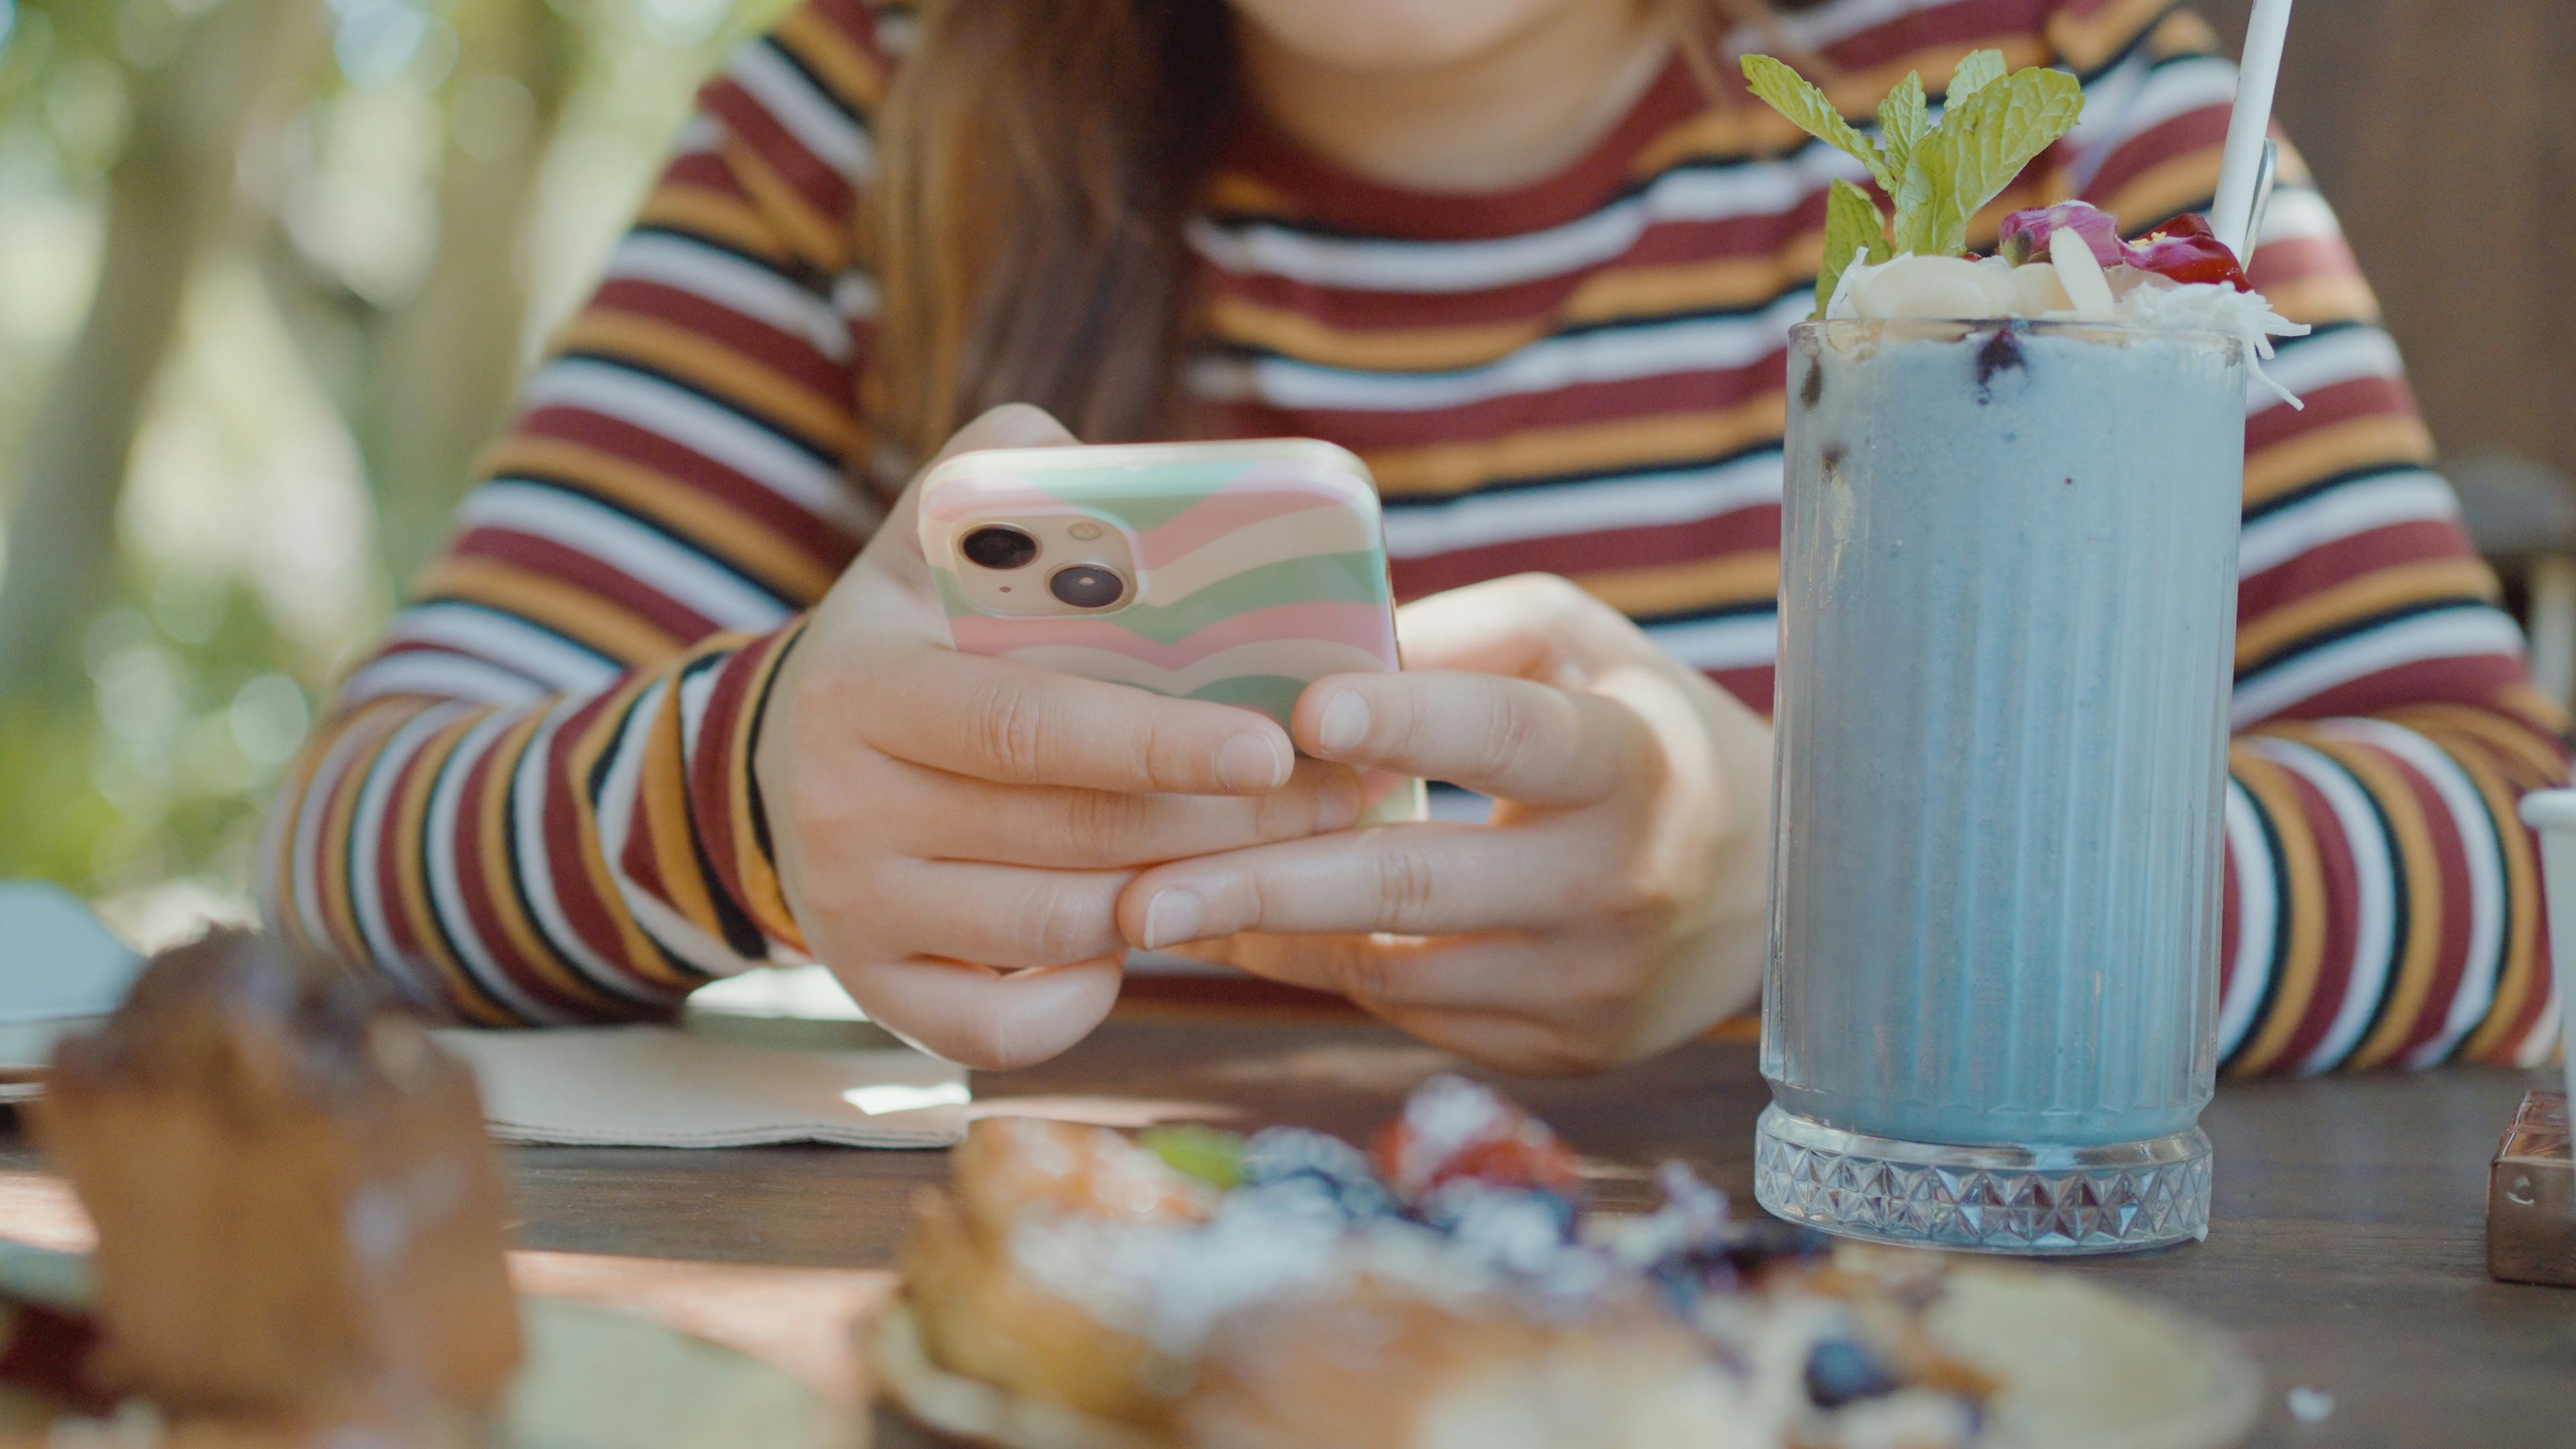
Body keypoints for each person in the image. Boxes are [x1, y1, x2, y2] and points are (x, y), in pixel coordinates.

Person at [260, 0, 2566, 1077]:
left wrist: (1849, 885)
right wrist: (752, 785)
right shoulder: (864, 105)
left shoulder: (2073, 128)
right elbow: (354, 842)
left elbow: (2525, 868)